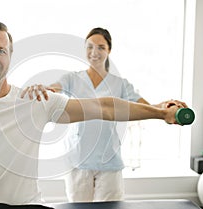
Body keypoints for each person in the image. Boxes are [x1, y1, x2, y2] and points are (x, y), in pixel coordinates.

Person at [0, 19, 185, 209]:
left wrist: (160, 113)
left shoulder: (34, 101)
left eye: (1, 50)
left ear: (10, 55)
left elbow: (106, 107)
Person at [21, 27, 177, 202]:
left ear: (109, 50)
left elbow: (146, 108)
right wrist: (41, 89)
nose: (94, 52)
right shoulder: (72, 79)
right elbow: (53, 89)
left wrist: (167, 108)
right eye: (90, 47)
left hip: (109, 164)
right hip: (78, 162)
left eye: (101, 47)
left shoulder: (120, 84)